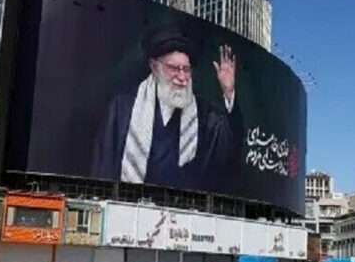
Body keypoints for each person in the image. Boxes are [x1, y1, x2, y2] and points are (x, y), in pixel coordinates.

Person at [92, 28, 243, 193]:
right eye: (174, 68)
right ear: (155, 67)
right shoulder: (123, 108)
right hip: (129, 201)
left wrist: (229, 92)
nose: (182, 77)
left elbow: (229, 147)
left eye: (186, 69)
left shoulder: (203, 114)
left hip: (183, 205)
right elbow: (104, 166)